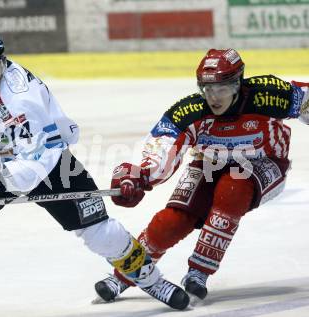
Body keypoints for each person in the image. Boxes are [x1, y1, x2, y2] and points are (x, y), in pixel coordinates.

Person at [0, 29, 191, 317]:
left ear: (4, 62)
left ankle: (153, 281)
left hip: (50, 161)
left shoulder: (22, 98)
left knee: (100, 233)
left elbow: (37, 162)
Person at [94, 48, 309, 303]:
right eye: (207, 90)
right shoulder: (188, 112)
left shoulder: (269, 95)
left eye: (221, 89)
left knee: (232, 189)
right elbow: (162, 148)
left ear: (238, 83)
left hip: (264, 162)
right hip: (209, 163)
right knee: (173, 220)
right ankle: (125, 275)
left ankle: (199, 271)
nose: (213, 97)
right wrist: (139, 176)